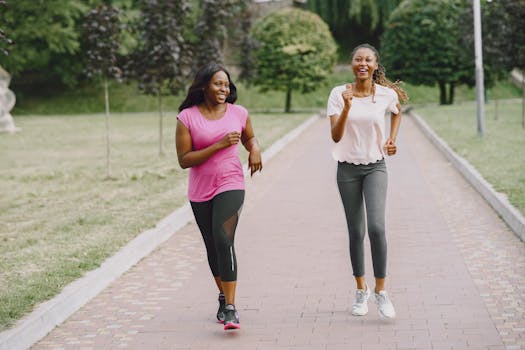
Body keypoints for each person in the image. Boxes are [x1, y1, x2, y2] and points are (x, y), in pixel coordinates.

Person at [175, 62, 262, 330]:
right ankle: (224, 297)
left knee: (224, 239)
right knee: (212, 244)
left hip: (230, 181)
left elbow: (250, 137)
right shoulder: (187, 117)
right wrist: (218, 145)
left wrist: (255, 148)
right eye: (218, 83)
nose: (223, 88)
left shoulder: (238, 112)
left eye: (226, 84)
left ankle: (232, 308)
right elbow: (184, 160)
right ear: (204, 86)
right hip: (200, 189)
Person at [326, 43, 408, 319]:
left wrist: (392, 139)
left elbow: (397, 111)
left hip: (375, 166)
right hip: (347, 169)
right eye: (358, 59)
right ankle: (361, 289)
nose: (363, 63)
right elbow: (336, 136)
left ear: (375, 65)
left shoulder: (385, 94)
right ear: (352, 64)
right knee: (356, 232)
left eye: (368, 60)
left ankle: (381, 291)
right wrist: (347, 107)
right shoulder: (339, 94)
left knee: (376, 227)